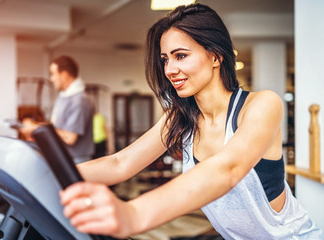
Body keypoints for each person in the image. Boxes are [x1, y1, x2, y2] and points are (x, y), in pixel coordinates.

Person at [59, 4, 323, 239]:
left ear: (215, 56)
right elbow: (120, 163)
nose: (170, 69)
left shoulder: (261, 104)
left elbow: (228, 169)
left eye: (181, 55)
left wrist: (133, 215)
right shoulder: (180, 118)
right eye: (165, 59)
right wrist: (51, 172)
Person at [21, 55, 94, 164]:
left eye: (53, 74)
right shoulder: (63, 97)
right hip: (62, 157)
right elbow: (55, 127)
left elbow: (70, 138)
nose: (51, 79)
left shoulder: (80, 100)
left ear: (64, 75)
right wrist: (34, 127)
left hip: (76, 162)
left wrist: (36, 128)